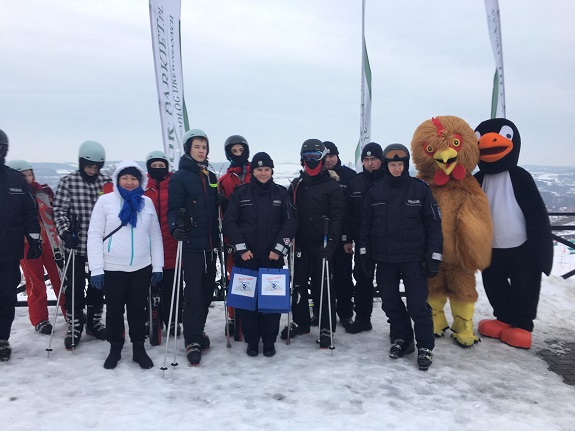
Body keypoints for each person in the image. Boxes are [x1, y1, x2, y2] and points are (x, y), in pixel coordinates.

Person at [358, 144, 443, 370]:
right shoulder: (376, 190)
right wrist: (365, 255)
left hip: (413, 259)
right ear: (387, 166)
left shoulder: (420, 190)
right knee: (390, 303)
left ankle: (425, 345)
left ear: (406, 166)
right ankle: (402, 338)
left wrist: (434, 257)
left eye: (400, 165)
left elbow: (434, 225)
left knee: (417, 305)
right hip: (385, 260)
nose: (397, 169)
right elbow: (365, 226)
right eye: (393, 164)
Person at [87, 160, 163, 369]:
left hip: (141, 266)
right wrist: (96, 268)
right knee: (114, 310)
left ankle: (139, 347)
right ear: (117, 179)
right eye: (125, 178)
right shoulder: (105, 202)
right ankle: (115, 347)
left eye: (133, 178)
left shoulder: (146, 203)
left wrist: (157, 265)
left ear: (140, 181)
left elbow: (155, 235)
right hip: (112, 267)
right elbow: (94, 235)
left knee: (138, 310)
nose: (129, 182)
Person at [224, 152, 297, 357]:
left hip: (272, 259)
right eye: (259, 169)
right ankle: (252, 341)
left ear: (272, 170)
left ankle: (269, 341)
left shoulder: (281, 194)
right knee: (248, 304)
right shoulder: (240, 193)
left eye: (266, 169)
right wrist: (241, 248)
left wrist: (278, 249)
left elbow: (290, 223)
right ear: (253, 171)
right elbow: (230, 222)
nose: (263, 173)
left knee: (271, 304)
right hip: (246, 258)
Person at [281, 139, 345, 348]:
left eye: (315, 158)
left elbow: (337, 217)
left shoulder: (331, 186)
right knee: (298, 285)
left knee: (324, 285)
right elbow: (287, 214)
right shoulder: (296, 185)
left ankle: (326, 326)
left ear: (322, 159)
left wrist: (332, 243)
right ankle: (301, 322)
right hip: (300, 244)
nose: (312, 162)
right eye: (308, 158)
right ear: (302, 160)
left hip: (323, 244)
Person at [53, 140, 111, 349]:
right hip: (75, 243)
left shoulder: (105, 183)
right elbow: (58, 210)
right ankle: (75, 323)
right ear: (81, 163)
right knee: (75, 286)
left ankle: (94, 321)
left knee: (98, 285)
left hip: (100, 245)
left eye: (96, 167)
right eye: (89, 167)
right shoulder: (68, 182)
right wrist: (65, 232)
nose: (92, 171)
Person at [168, 129, 219, 366]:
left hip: (211, 244)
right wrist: (174, 227)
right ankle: (192, 339)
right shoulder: (180, 177)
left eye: (204, 147)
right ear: (188, 148)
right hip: (191, 245)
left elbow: (215, 203)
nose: (201, 151)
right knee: (194, 293)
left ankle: (198, 329)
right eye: (197, 146)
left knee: (207, 291)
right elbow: (173, 210)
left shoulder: (210, 175)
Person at [7, 159, 65, 334]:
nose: (27, 178)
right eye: (22, 175)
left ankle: (70, 311)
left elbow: (56, 213)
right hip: (27, 245)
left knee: (61, 278)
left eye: (29, 174)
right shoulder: (12, 195)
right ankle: (40, 319)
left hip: (50, 241)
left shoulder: (43, 193)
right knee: (36, 283)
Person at [0, 129, 42, 361]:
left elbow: (29, 211)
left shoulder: (15, 179)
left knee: (6, 296)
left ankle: (2, 338)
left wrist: (34, 239)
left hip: (9, 250)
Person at [345, 142, 385, 334]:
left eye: (374, 159)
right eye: (366, 160)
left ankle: (396, 324)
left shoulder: (389, 180)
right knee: (362, 280)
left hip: (387, 241)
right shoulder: (355, 182)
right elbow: (348, 214)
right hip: (363, 241)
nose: (370, 163)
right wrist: (347, 239)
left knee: (387, 283)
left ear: (381, 160)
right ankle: (362, 319)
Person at [144, 150, 182, 337]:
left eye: (161, 166)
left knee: (172, 285)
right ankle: (151, 317)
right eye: (154, 166)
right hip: (149, 246)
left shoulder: (174, 185)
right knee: (147, 285)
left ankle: (173, 319)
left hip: (172, 242)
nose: (158, 169)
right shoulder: (144, 189)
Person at [218, 135, 252, 339]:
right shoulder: (224, 180)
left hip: (254, 235)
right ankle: (233, 316)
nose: (238, 154)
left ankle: (251, 313)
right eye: (234, 151)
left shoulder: (254, 175)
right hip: (232, 237)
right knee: (234, 277)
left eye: (241, 150)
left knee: (252, 275)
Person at [322, 141, 356, 330]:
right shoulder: (316, 175)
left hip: (343, 237)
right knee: (322, 277)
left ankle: (345, 313)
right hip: (322, 236)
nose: (328, 160)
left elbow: (352, 211)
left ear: (337, 156)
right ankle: (322, 312)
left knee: (343, 276)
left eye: (331, 156)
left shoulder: (349, 177)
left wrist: (348, 237)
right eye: (325, 156)